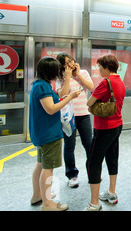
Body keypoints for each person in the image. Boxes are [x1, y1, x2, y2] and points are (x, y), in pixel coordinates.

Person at [29, 57, 81, 211]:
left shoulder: (39, 85)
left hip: (41, 131)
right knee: (48, 168)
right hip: (49, 133)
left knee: (41, 164)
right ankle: (47, 204)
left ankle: (38, 195)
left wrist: (63, 98)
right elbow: (51, 109)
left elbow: (51, 104)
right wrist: (70, 97)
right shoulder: (43, 87)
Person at [85, 55, 125, 211]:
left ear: (107, 67)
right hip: (117, 125)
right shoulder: (119, 81)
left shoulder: (105, 82)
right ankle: (112, 192)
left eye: (100, 67)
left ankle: (94, 203)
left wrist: (91, 106)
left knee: (93, 162)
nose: (99, 69)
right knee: (112, 157)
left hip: (103, 128)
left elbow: (90, 102)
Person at [55, 53, 94, 188]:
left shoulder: (83, 72)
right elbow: (62, 95)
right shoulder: (60, 77)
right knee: (69, 146)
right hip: (68, 116)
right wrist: (67, 78)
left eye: (71, 61)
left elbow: (91, 87)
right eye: (66, 63)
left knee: (89, 144)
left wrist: (78, 75)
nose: (70, 64)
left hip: (83, 114)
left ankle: (92, 171)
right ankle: (72, 175)